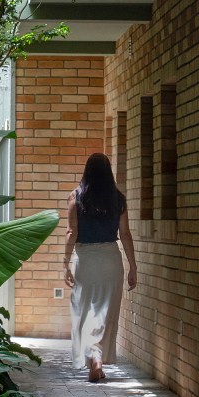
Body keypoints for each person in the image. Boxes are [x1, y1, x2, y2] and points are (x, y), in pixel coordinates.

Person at [62, 152, 137, 384]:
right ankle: (98, 357)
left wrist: (65, 263)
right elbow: (125, 234)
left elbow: (72, 232)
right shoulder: (118, 199)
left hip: (86, 260)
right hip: (111, 260)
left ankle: (93, 356)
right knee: (106, 312)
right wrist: (133, 266)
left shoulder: (76, 197)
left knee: (85, 311)